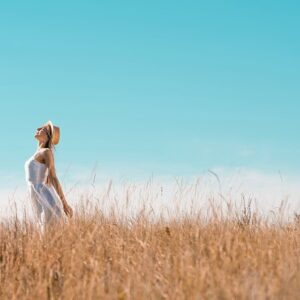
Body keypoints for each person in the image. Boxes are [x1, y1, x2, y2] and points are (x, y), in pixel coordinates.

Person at [24, 121, 73, 231]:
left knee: (48, 234)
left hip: (46, 199)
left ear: (48, 136)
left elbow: (54, 177)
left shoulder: (46, 152)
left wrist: (65, 204)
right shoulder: (38, 152)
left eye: (42, 130)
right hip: (37, 197)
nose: (38, 130)